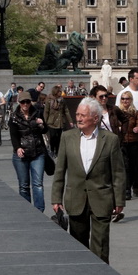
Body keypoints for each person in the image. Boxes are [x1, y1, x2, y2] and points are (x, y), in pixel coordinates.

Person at [51, 97, 126, 264]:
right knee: (78, 244)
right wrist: (56, 198)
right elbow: (60, 170)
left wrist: (119, 200)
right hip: (76, 198)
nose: (78, 118)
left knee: (101, 245)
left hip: (102, 199)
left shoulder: (110, 140)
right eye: (77, 114)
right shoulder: (67, 137)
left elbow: (118, 173)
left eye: (83, 115)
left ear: (95, 118)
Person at [9, 96, 48, 212]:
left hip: (37, 152)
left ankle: (39, 210)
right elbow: (13, 135)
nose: (25, 104)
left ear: (30, 102)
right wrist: (17, 148)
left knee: (38, 184)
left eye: (27, 102)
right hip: (22, 153)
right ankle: (27, 211)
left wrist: (42, 124)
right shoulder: (14, 117)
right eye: (23, 102)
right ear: (19, 102)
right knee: (24, 185)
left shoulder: (37, 113)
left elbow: (45, 130)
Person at [115, 90, 138, 201]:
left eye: (127, 98)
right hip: (122, 143)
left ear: (131, 100)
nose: (125, 101)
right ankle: (126, 190)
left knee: (136, 166)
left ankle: (136, 187)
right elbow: (114, 123)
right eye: (123, 99)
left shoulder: (135, 113)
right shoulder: (117, 112)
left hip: (134, 142)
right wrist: (118, 128)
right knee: (125, 167)